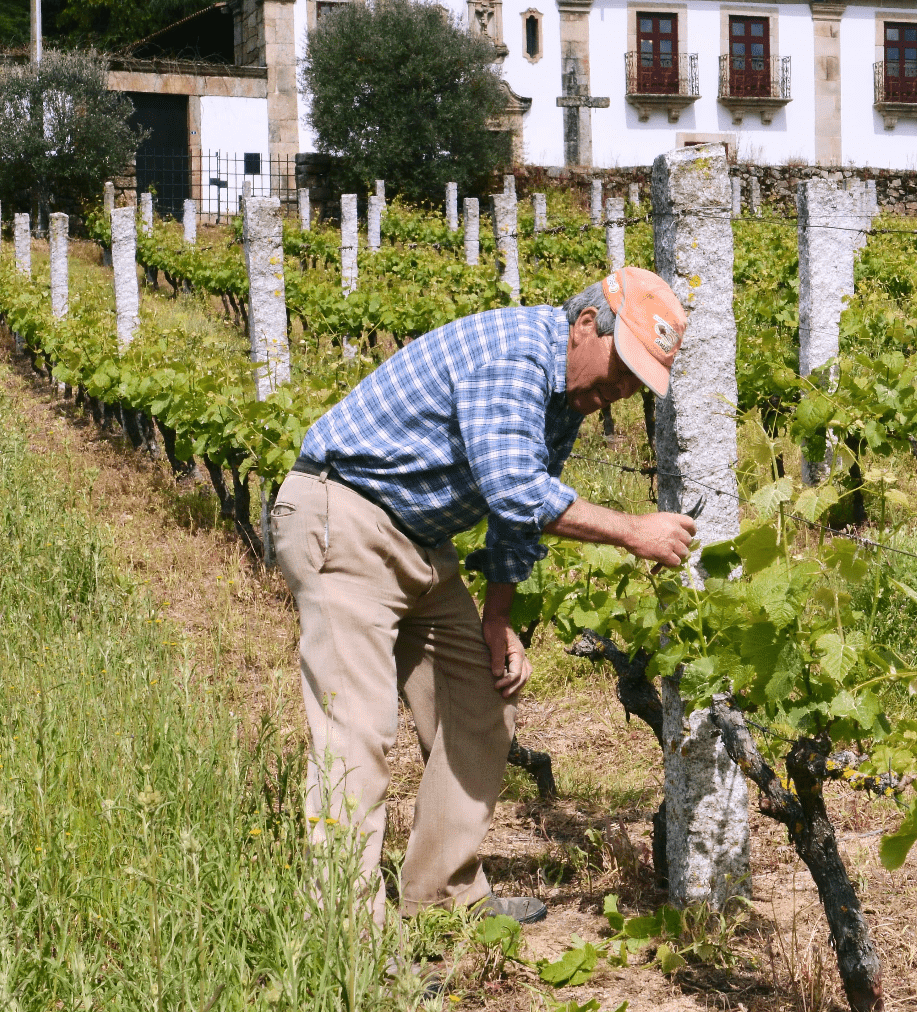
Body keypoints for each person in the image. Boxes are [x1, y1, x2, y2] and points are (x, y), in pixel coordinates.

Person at [272, 267, 698, 923]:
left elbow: (514, 518)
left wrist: (498, 617)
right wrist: (632, 530)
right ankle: (345, 933)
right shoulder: (515, 355)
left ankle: (441, 897)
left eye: (635, 383)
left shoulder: (566, 398)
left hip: (419, 540)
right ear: (586, 326)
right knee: (357, 727)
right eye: (621, 369)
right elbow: (517, 491)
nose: (619, 391)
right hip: (346, 516)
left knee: (484, 697)